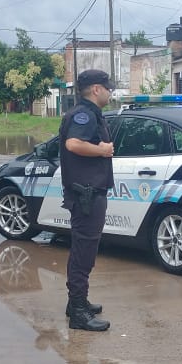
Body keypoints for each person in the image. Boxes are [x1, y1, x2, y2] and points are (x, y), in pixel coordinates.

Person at [59, 69, 115, 331]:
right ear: (96, 89)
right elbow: (73, 144)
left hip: (87, 194)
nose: (109, 92)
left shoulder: (87, 114)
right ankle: (79, 311)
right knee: (84, 253)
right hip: (87, 196)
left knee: (83, 250)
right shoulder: (85, 115)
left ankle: (76, 302)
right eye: (107, 87)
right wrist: (102, 150)